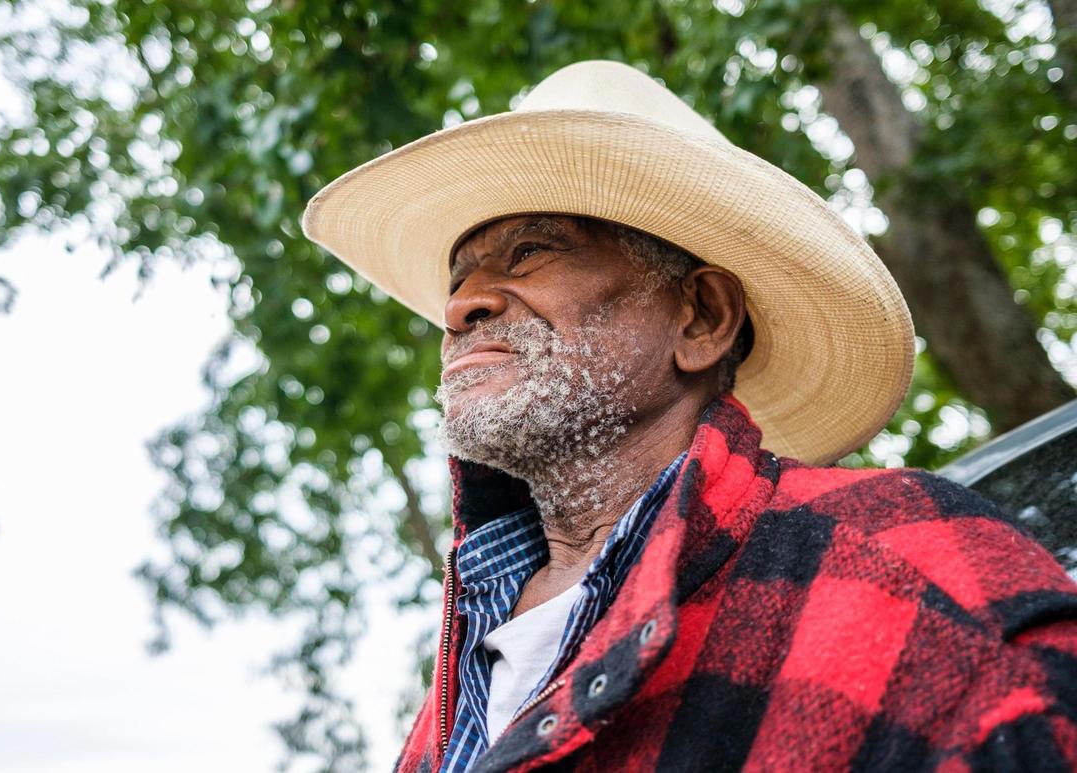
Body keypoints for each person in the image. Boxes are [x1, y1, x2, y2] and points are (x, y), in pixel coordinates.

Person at [301, 61, 1077, 772]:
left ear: (702, 318)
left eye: (531, 250)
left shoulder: (902, 551)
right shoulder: (447, 692)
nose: (459, 305)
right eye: (460, 276)